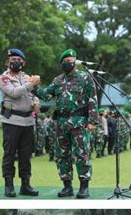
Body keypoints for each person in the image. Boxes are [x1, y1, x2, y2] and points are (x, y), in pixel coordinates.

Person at [34, 49, 97, 198]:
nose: (67, 63)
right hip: (61, 123)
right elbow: (46, 95)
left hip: (79, 122)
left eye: (70, 60)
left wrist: (92, 121)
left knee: (82, 154)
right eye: (64, 62)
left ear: (75, 61)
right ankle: (67, 186)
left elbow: (92, 100)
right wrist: (34, 87)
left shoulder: (85, 78)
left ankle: (84, 187)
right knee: (62, 155)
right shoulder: (57, 80)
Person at [0, 48, 40, 197]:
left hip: (28, 121)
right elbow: (14, 93)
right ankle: (9, 185)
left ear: (24, 62)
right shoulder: (4, 78)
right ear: (7, 62)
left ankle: (25, 184)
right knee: (9, 153)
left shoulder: (27, 77)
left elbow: (33, 95)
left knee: (26, 155)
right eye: (13, 59)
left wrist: (36, 102)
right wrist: (32, 84)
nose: (16, 62)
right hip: (12, 121)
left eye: (19, 60)